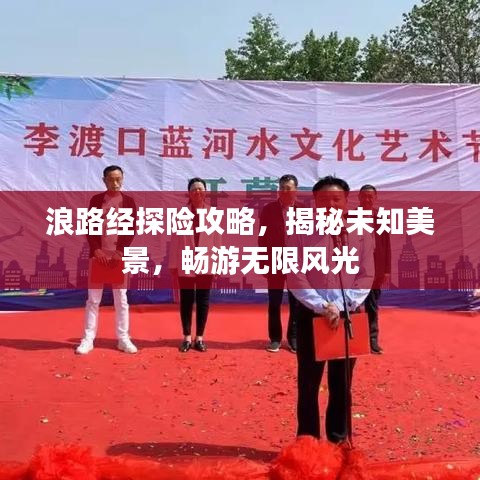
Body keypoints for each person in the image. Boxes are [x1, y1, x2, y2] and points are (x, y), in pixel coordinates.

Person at [289, 176, 374, 442]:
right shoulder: (300, 231)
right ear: (314, 202)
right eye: (324, 200)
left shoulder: (361, 232)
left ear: (346, 201)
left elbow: (366, 274)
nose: (330, 205)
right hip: (311, 314)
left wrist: (341, 305)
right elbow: (294, 274)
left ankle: (338, 439)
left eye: (336, 199)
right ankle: (308, 441)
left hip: (348, 316)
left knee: (342, 383)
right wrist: (322, 305)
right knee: (308, 382)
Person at [76, 165, 138, 355]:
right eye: (111, 179)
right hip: (98, 257)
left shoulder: (128, 202)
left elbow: (131, 229)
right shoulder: (96, 200)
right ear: (104, 180)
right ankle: (88, 339)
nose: (115, 183)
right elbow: (90, 227)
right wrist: (96, 250)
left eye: (118, 179)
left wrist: (120, 251)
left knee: (121, 299)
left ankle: (123, 338)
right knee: (93, 300)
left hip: (118, 257)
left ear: (123, 179)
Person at [169, 177, 220, 353]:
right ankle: (186, 337)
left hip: (206, 261)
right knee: (186, 300)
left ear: (205, 192)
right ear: (189, 193)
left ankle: (199, 338)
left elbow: (217, 241)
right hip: (186, 260)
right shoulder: (181, 214)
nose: (197, 191)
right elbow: (175, 241)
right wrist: (173, 264)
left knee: (203, 300)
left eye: (200, 188)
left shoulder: (213, 213)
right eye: (194, 189)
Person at [258, 174, 301, 353]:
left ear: (295, 190)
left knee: (296, 303)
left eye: (288, 188)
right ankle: (275, 338)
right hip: (275, 260)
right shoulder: (269, 210)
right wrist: (262, 261)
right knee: (274, 302)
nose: (284, 191)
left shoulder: (304, 211)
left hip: (296, 263)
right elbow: (262, 237)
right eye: (281, 188)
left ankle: (294, 338)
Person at [359, 184, 391, 354]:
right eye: (364, 196)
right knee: (353, 306)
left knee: (372, 306)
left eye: (370, 196)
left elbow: (387, 245)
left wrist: (386, 270)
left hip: (375, 270)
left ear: (375, 198)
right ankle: (354, 339)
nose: (367, 199)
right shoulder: (350, 217)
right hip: (356, 269)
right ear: (359, 198)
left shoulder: (381, 218)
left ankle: (372, 341)